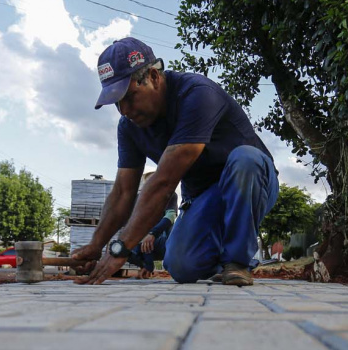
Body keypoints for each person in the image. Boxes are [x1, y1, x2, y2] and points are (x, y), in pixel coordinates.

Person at [70, 37, 279, 286]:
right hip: (203, 197)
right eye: (116, 102)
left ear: (154, 77)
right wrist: (96, 244)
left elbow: (164, 183)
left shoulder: (197, 94)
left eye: (129, 96)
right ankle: (220, 257)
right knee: (181, 266)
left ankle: (237, 262)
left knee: (245, 159)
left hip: (253, 181)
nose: (124, 109)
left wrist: (120, 249)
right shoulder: (129, 127)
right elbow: (124, 192)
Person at [127, 171, 178, 278]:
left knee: (173, 231)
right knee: (120, 248)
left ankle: (173, 265)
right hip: (142, 240)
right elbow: (134, 224)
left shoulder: (170, 195)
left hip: (162, 239)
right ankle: (146, 267)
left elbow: (171, 217)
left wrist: (153, 233)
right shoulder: (138, 198)